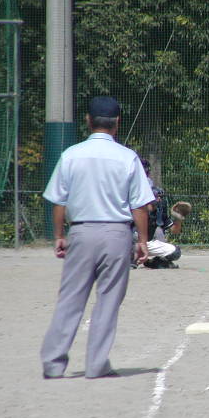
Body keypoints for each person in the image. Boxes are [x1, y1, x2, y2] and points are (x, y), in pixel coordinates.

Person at [40, 96, 155, 378]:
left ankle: (53, 364)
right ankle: (96, 364)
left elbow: (59, 201)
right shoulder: (127, 157)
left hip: (80, 230)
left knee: (70, 298)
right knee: (108, 299)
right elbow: (139, 205)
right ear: (118, 123)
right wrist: (142, 241)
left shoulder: (71, 154)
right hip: (116, 233)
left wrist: (59, 235)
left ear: (88, 121)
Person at [141, 186, 184, 269]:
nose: (160, 200)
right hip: (131, 243)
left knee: (175, 252)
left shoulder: (158, 212)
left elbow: (174, 231)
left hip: (146, 244)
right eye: (157, 197)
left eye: (161, 197)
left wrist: (178, 218)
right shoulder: (137, 208)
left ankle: (155, 262)